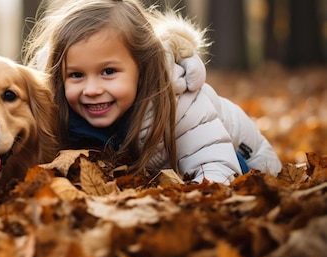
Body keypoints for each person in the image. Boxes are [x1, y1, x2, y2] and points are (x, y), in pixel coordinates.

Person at [22, 0, 282, 184]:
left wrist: (194, 207)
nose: (92, 90)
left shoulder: (180, 101)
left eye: (109, 72)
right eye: (76, 75)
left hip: (249, 164)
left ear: (142, 66)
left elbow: (216, 166)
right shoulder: (63, 110)